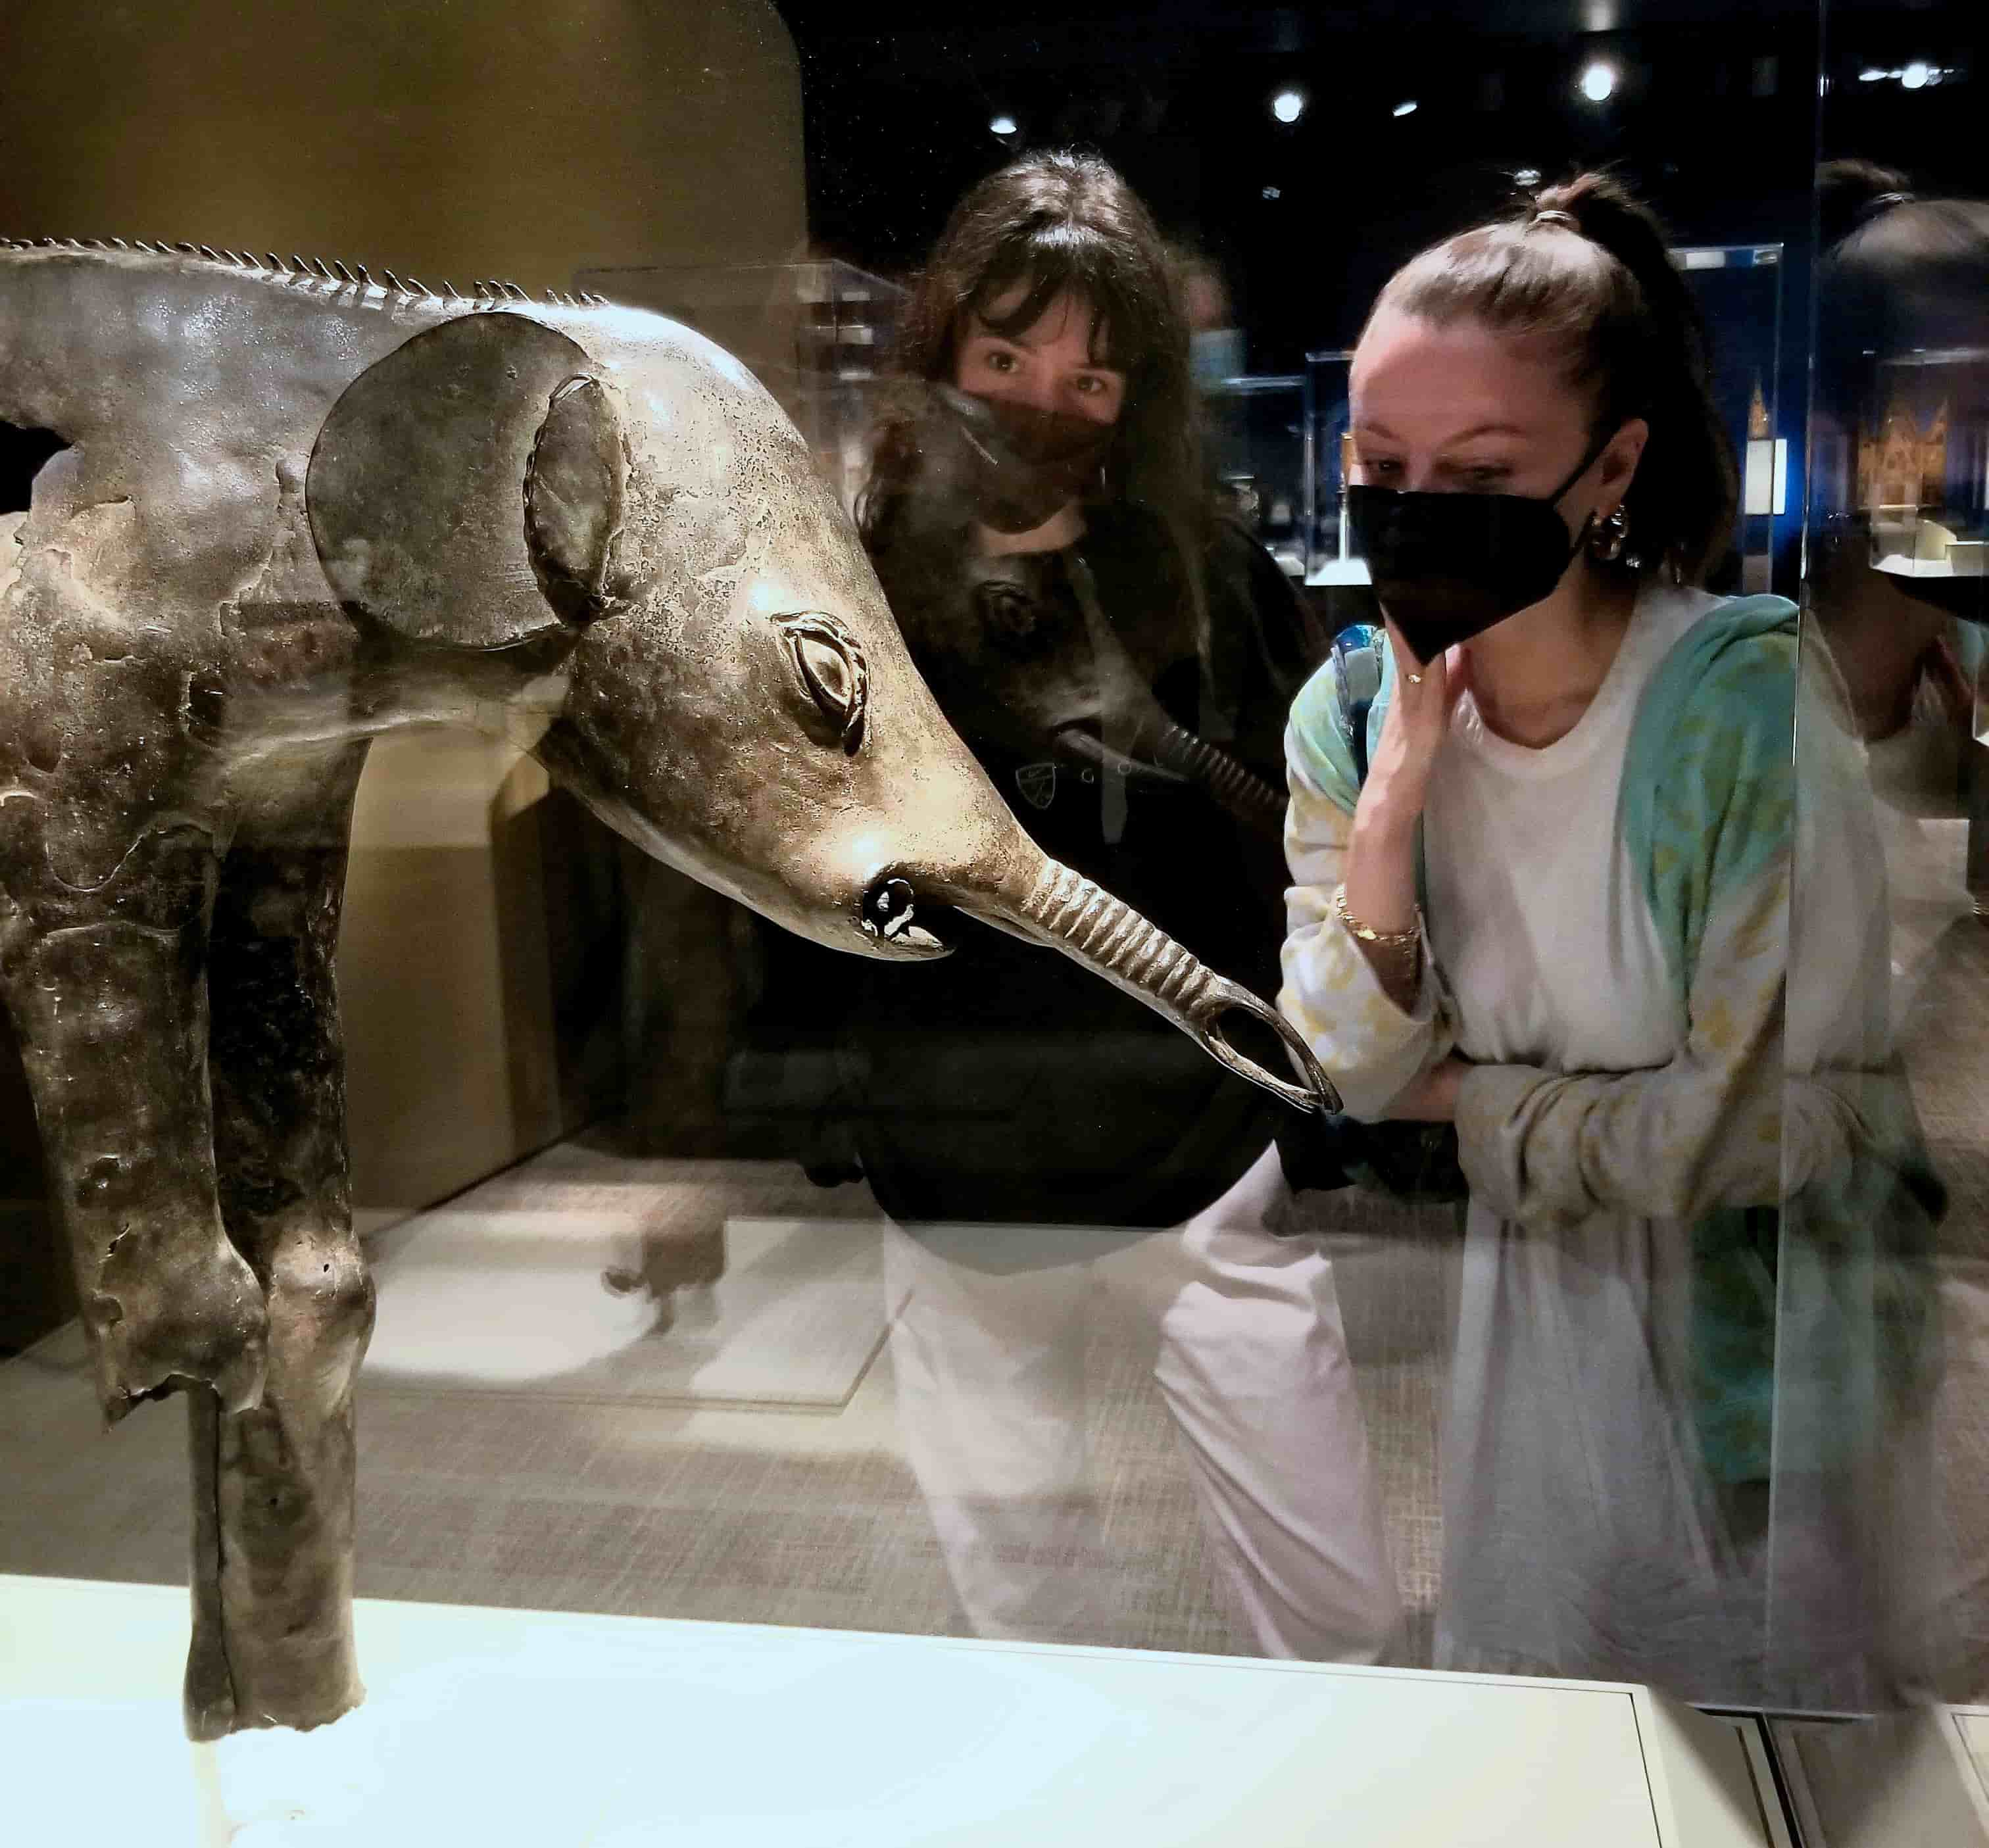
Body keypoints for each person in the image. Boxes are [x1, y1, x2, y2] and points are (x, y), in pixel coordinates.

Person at [1279, 171, 1941, 1707]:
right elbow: (1342, 1065)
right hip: (1531, 1337)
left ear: (1611, 466)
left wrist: (1475, 1101)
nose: (1418, 502)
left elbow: (1760, 1133)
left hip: (1760, 1344)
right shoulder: (1356, 710)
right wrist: (1386, 834)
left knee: (1762, 1727)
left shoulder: (1742, 710)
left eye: (1482, 464)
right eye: (1382, 462)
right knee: (1549, 1717)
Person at [840, 149, 1400, 1660]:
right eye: (1006, 356)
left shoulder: (1206, 574)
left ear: (1134, 399)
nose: (1037, 400)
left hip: (1194, 1138)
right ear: (944, 351)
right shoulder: (856, 587)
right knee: (1021, 1600)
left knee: (1329, 1584)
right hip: (956, 1153)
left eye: (1088, 379)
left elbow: (1308, 830)